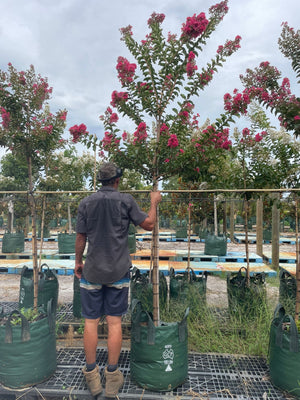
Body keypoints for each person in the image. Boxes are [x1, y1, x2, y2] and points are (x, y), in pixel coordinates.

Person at [75, 162, 162, 398]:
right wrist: (154, 201)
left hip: (92, 271)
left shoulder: (86, 203)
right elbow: (149, 224)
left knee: (90, 323)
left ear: (99, 181)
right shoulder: (126, 200)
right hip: (118, 271)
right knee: (114, 324)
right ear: (117, 180)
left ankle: (92, 377)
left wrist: (78, 262)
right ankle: (112, 378)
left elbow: (81, 237)